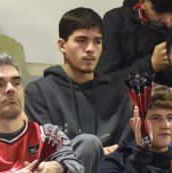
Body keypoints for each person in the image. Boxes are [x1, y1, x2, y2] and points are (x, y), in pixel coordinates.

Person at [26, 8, 135, 150]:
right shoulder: (38, 93)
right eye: (81, 40)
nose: (90, 49)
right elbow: (44, 151)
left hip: (110, 171)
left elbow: (125, 152)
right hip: (61, 171)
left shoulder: (119, 95)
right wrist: (95, 154)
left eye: (97, 42)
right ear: (62, 45)